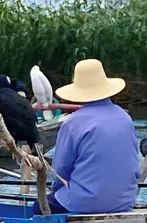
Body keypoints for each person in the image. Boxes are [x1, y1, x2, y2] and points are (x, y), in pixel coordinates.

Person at [48, 59, 138, 214]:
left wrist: (54, 191)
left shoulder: (73, 122)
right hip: (124, 201)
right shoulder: (124, 117)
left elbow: (60, 170)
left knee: (39, 207)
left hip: (83, 202)